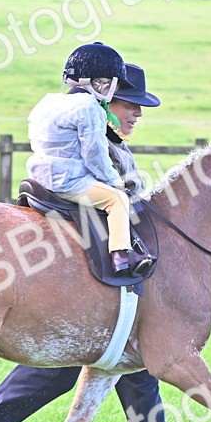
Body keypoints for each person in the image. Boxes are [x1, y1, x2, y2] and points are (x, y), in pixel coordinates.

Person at [0, 62, 211, 422]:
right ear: (107, 101)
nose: (138, 113)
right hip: (77, 234)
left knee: (137, 359)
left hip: (94, 228)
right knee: (73, 359)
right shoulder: (95, 131)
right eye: (131, 104)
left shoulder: (108, 136)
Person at [26, 42, 154, 278]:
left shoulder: (49, 101)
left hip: (39, 174)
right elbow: (95, 156)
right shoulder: (89, 107)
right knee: (117, 200)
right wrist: (115, 182)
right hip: (69, 179)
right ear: (100, 83)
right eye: (112, 84)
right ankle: (121, 255)